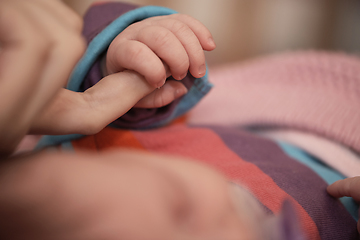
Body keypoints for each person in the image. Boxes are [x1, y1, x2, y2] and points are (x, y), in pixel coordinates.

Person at [0, 1, 359, 240]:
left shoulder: (90, 151)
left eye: (180, 208)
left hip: (305, 123)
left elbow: (84, 85)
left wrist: (121, 62)